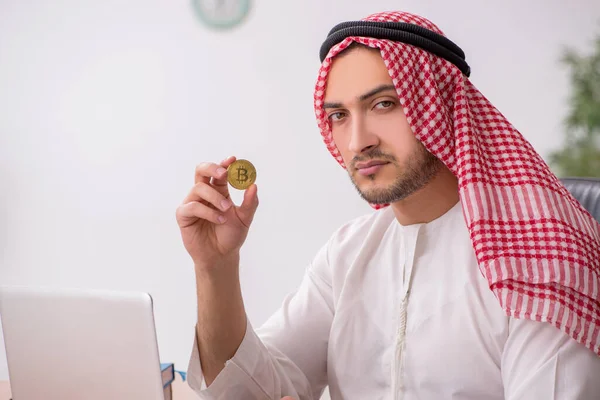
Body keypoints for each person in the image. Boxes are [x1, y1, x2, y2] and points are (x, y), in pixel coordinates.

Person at [175, 10, 600, 400]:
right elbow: (250, 393)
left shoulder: (538, 260)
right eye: (339, 115)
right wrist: (215, 268)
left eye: (384, 104)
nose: (359, 141)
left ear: (441, 105)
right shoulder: (349, 253)